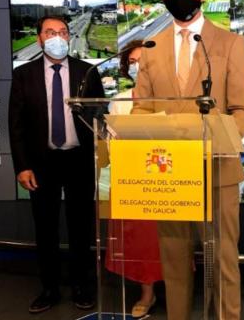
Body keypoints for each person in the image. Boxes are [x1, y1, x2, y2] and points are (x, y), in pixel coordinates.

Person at [131, 0, 244, 319]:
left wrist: (211, 141)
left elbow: (243, 111)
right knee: (174, 265)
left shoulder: (230, 43)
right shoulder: (151, 47)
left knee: (223, 264)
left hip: (217, 171)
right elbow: (142, 110)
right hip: (168, 175)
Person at [9, 15, 105, 313]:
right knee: (46, 229)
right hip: (41, 163)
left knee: (81, 228)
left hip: (79, 160)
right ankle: (49, 289)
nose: (58, 37)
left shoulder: (87, 72)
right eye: (50, 32)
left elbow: (100, 117)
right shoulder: (24, 74)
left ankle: (81, 286)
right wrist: (22, 166)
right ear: (39, 38)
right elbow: (17, 124)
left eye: (63, 32)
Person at [104, 39, 163, 318]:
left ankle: (178, 288)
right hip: (133, 180)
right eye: (133, 62)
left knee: (171, 239)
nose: (139, 67)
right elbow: (112, 145)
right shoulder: (119, 102)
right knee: (141, 241)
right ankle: (147, 292)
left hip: (167, 180)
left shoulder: (172, 98)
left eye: (144, 61)